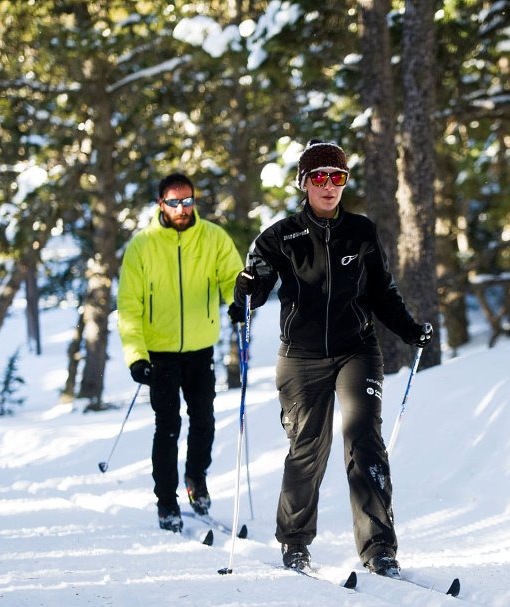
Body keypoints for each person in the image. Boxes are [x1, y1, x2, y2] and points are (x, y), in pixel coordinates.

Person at [233, 140, 433, 577]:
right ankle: (295, 543)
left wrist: (409, 329)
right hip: (300, 357)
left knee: (365, 444)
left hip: (356, 350)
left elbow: (382, 291)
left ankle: (380, 549)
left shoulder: (360, 231)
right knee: (308, 448)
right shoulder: (280, 236)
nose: (329, 185)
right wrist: (245, 292)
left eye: (337, 177)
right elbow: (256, 289)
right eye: (320, 177)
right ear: (304, 183)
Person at [117, 172, 244, 533]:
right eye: (174, 202)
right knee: (168, 426)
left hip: (200, 348)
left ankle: (195, 478)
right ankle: (166, 502)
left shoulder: (213, 238)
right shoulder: (142, 247)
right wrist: (136, 357)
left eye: (187, 201)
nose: (182, 208)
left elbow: (231, 279)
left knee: (204, 420)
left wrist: (239, 299)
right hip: (159, 354)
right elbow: (129, 306)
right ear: (161, 204)